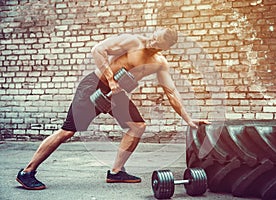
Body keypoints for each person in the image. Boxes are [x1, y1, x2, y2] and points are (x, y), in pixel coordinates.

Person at [16, 27, 209, 190]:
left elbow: (171, 92)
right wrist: (110, 79)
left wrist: (188, 119)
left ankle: (116, 172)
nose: (152, 42)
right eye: (153, 37)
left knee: (137, 126)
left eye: (157, 43)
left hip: (116, 94)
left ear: (166, 48)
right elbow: (97, 50)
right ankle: (27, 172)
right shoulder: (133, 42)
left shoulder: (159, 64)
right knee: (67, 132)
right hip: (94, 85)